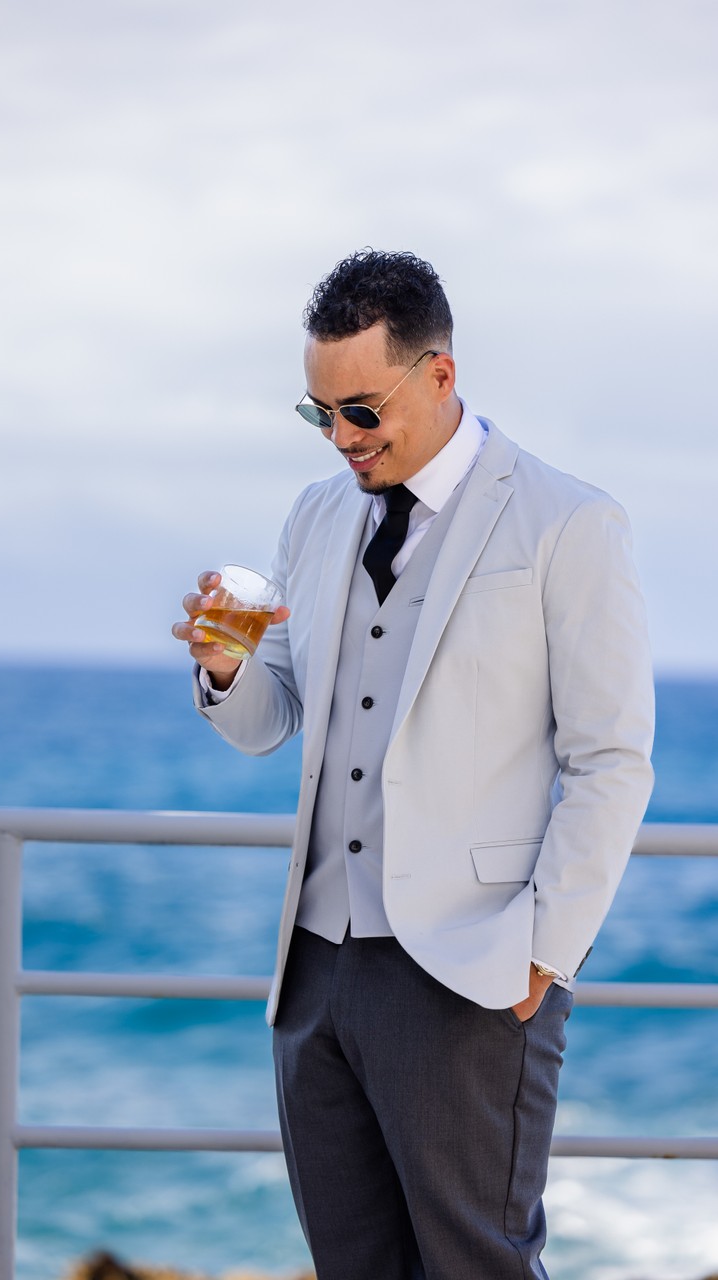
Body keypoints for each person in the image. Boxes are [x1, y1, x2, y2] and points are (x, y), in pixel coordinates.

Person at [172, 249, 655, 1280]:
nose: (342, 437)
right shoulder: (316, 515)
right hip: (316, 967)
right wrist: (225, 667)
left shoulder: (566, 522)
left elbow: (611, 758)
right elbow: (274, 719)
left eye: (362, 410)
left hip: (471, 975)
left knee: (476, 1263)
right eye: (320, 414)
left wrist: (541, 958)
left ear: (439, 374)